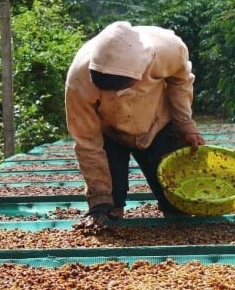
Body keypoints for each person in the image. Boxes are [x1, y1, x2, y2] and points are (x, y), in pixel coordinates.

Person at [65, 21, 205, 228]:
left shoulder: (168, 49)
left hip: (158, 124)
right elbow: (87, 142)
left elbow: (181, 81)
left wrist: (185, 124)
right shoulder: (78, 81)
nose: (112, 93)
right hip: (109, 133)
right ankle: (110, 212)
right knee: (109, 208)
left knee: (178, 200)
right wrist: (100, 199)